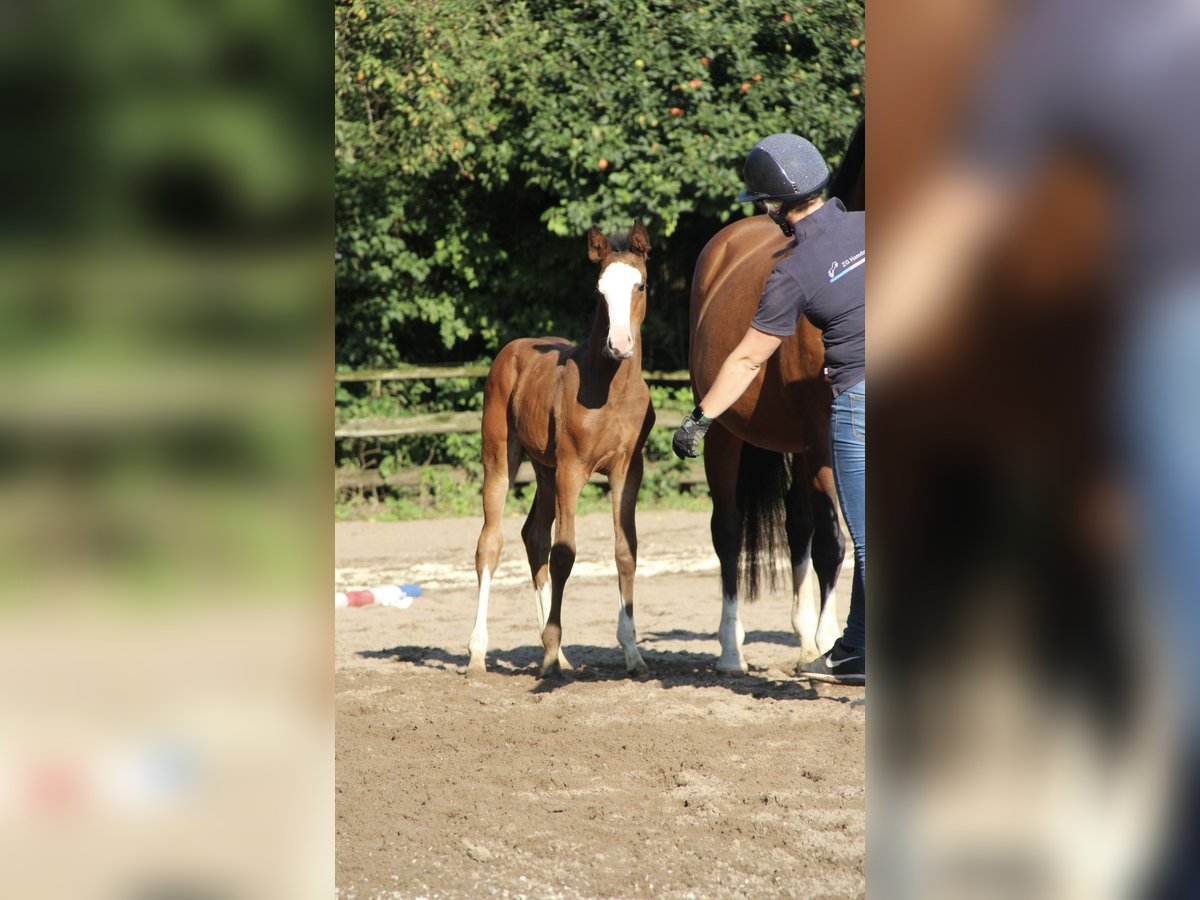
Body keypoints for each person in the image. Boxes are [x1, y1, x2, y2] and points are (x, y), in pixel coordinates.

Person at [672, 133, 866, 685]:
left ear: (774, 207)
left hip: (855, 402)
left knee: (868, 537)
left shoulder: (792, 272)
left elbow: (748, 359)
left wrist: (700, 418)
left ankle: (858, 652)